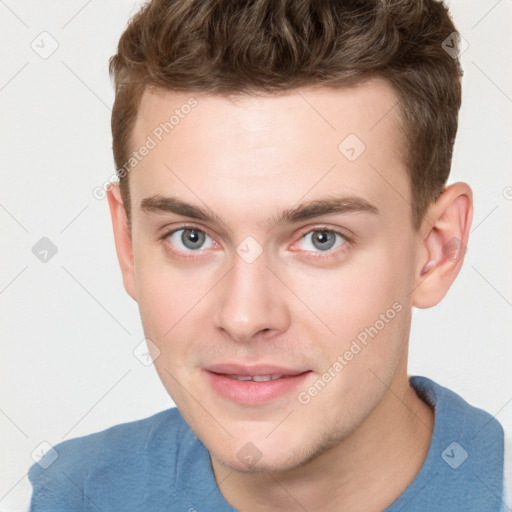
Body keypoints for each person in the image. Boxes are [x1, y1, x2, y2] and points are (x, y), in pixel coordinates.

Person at [28, 0, 507, 510]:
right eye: (191, 236)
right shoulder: (77, 493)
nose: (244, 317)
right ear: (127, 244)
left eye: (322, 238)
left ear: (436, 251)